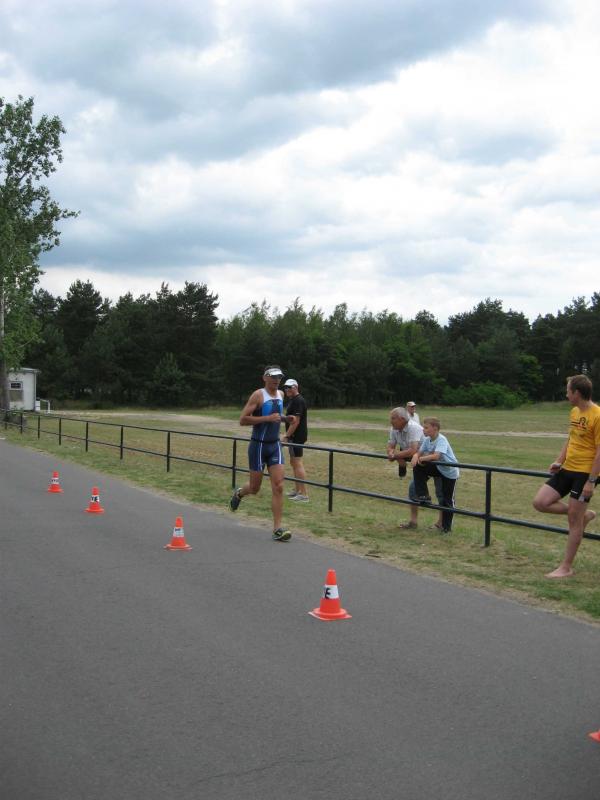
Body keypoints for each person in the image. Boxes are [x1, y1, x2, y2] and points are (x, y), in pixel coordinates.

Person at [532, 374, 600, 578]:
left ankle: (566, 567)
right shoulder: (574, 411)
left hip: (585, 473)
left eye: (568, 391)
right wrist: (559, 460)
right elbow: (571, 438)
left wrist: (591, 481)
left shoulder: (597, 415)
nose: (566, 394)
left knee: (573, 521)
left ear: (576, 392)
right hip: (568, 468)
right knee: (540, 502)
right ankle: (582, 515)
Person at [229, 365, 291, 542]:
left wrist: (286, 418)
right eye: (273, 376)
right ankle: (240, 493)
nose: (276, 380)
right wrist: (267, 418)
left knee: (279, 486)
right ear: (265, 378)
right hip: (258, 446)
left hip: (275, 446)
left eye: (279, 377)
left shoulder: (281, 394)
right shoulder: (258, 395)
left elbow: (276, 416)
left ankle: (277, 529)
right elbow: (243, 420)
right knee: (254, 488)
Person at [387, 407, 443, 530]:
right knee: (413, 490)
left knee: (441, 493)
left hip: (436, 463)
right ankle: (413, 522)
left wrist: (395, 455)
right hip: (421, 465)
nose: (390, 421)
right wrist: (391, 453)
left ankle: (442, 524)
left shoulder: (413, 427)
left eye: (393, 418)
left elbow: (413, 450)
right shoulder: (394, 429)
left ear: (402, 419)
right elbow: (390, 446)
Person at [410, 417, 459, 534]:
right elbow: (419, 452)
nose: (423, 430)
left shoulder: (441, 439)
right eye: (424, 427)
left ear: (435, 428)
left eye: (426, 428)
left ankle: (446, 528)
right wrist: (416, 456)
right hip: (439, 468)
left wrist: (421, 458)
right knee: (418, 467)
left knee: (447, 499)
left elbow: (436, 456)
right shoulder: (427, 440)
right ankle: (423, 495)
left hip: (449, 471)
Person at [282, 378, 309, 501]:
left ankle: (304, 494)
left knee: (297, 463)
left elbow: (296, 422)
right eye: (285, 387)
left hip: (296, 437)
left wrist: (286, 436)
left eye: (289, 387)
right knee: (294, 462)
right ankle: (297, 490)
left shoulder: (298, 400)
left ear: (296, 387)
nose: (287, 389)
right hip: (294, 436)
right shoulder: (293, 400)